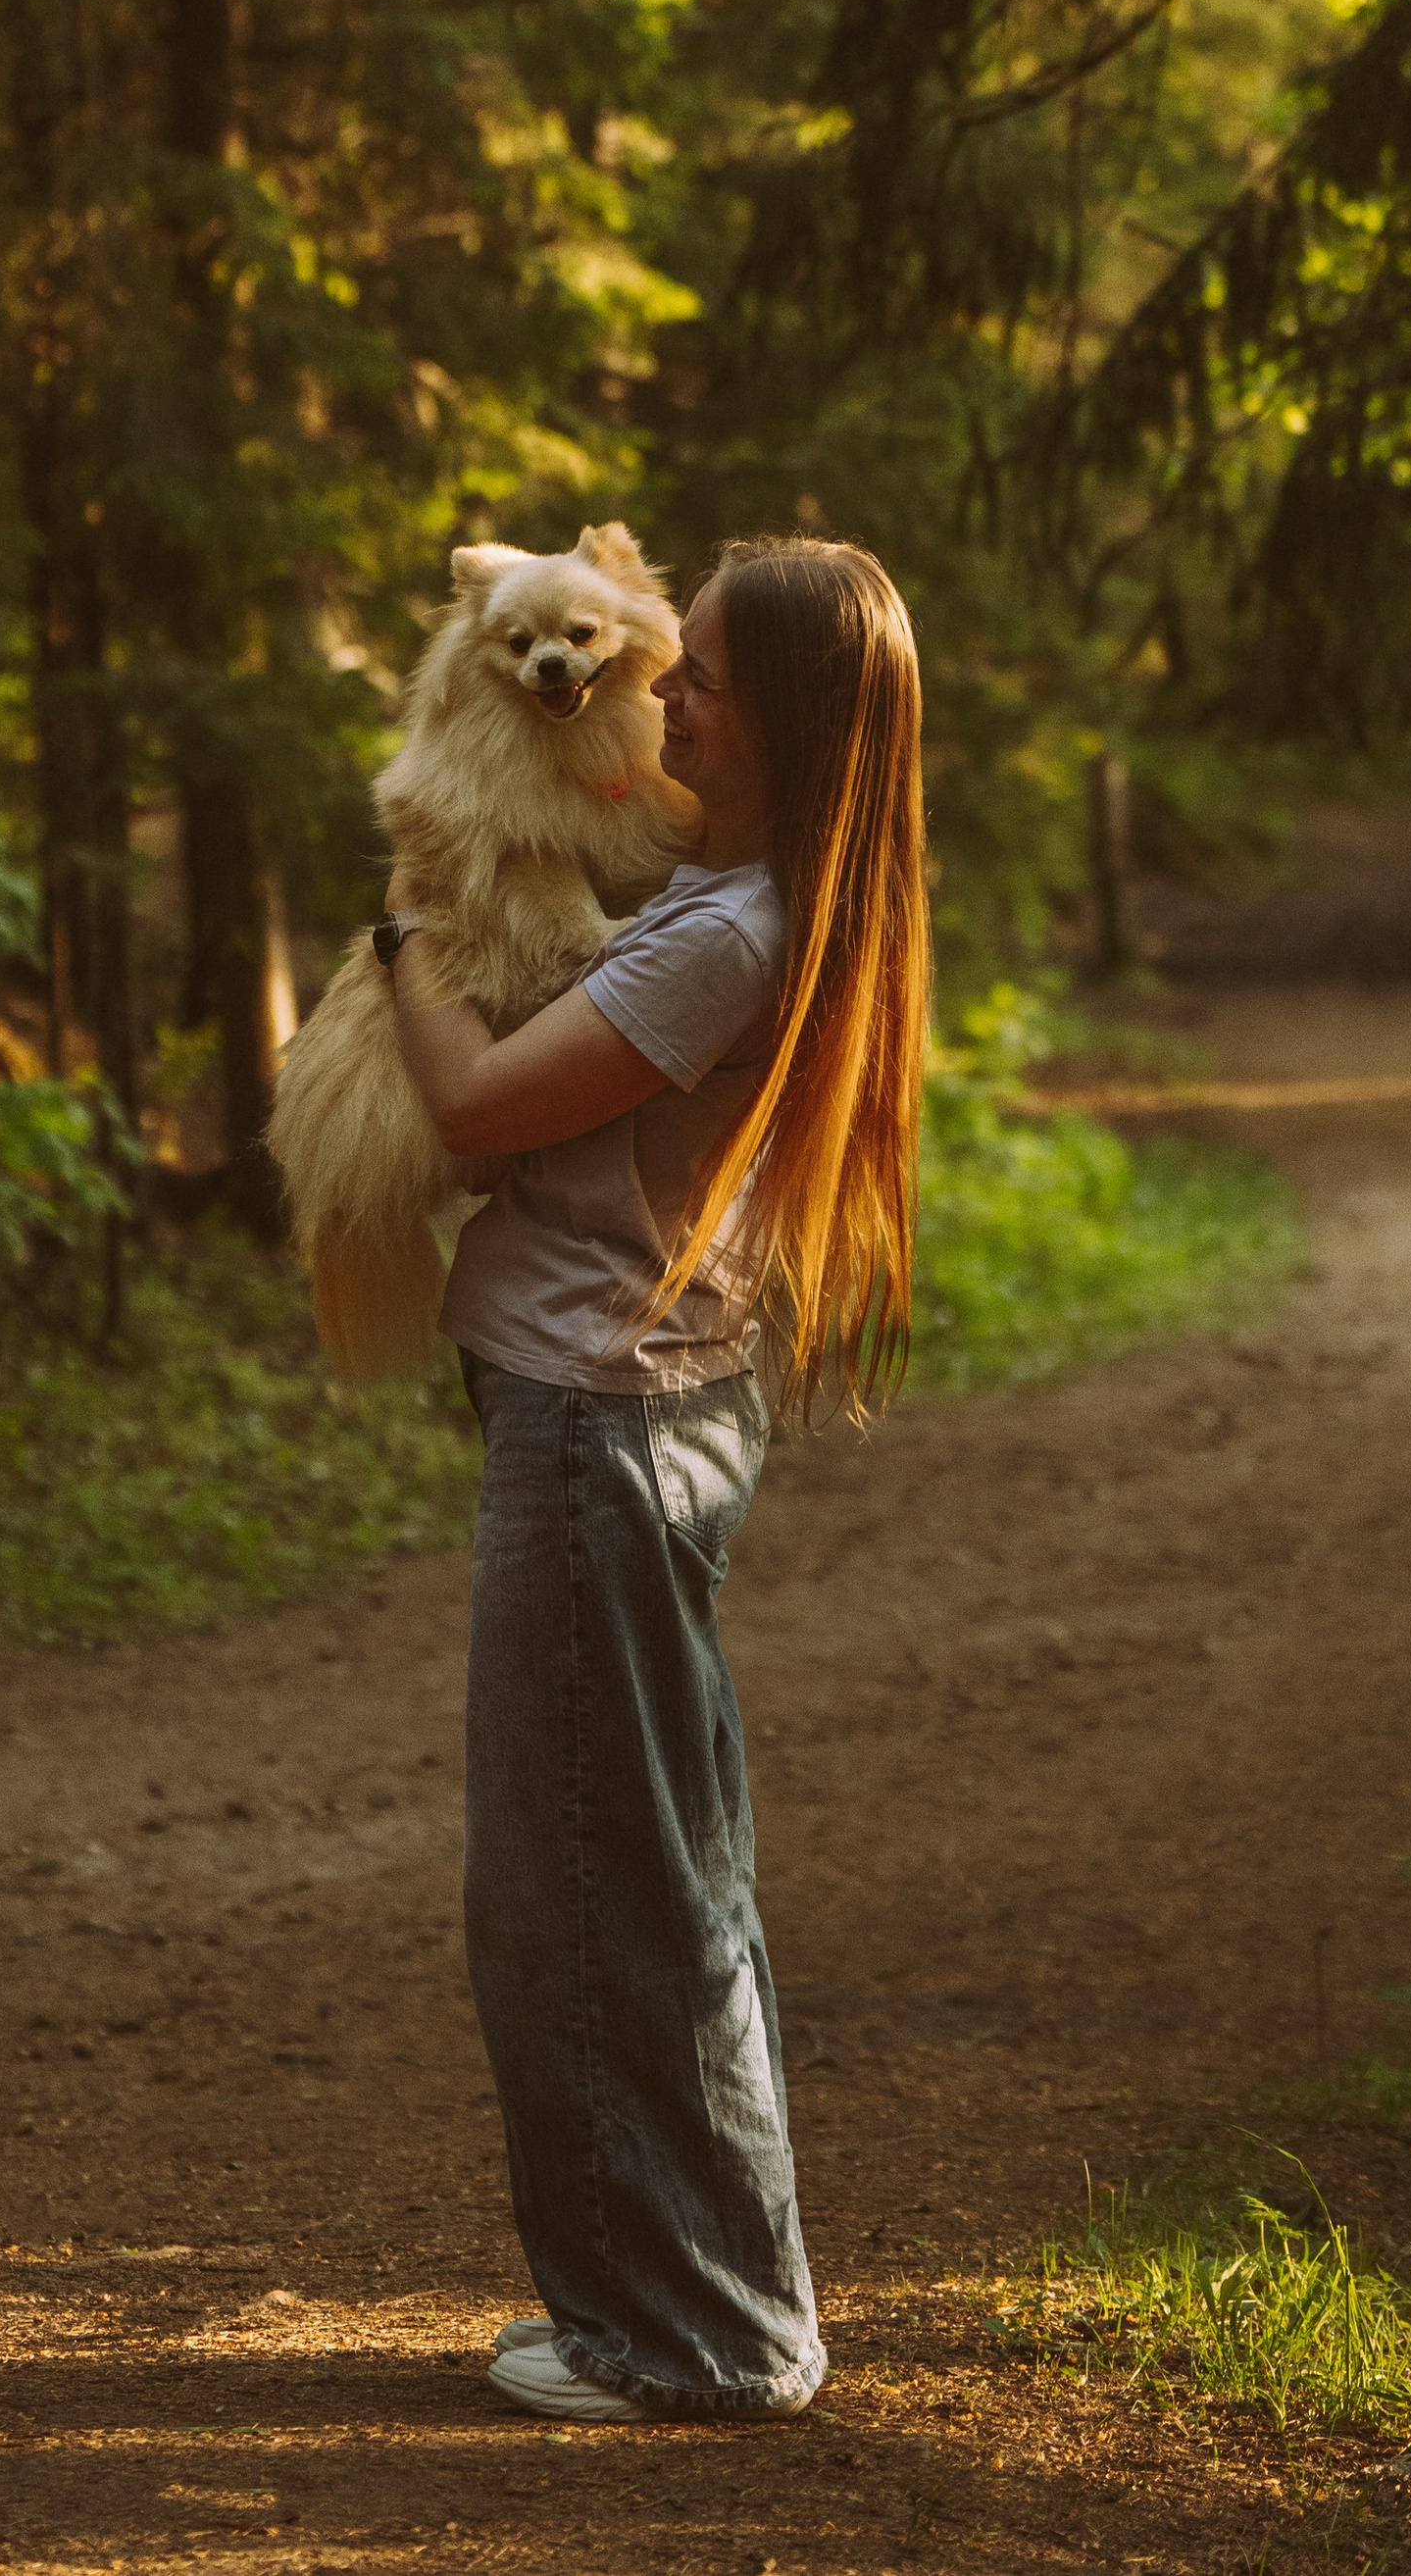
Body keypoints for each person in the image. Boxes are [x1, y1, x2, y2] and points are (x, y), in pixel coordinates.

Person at [380, 531, 930, 2424]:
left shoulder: (723, 932)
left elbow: (472, 1102)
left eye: (695, 673)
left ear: (780, 719)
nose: (658, 691)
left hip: (599, 1422)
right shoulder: (728, 892)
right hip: (637, 1405)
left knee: (581, 1883)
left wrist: (403, 929)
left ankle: (690, 2335)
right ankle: (706, 2307)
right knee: (646, 1862)